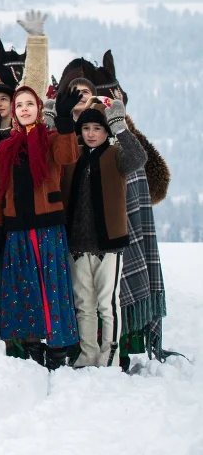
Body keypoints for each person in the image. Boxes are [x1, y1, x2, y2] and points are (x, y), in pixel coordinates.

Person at [0, 87, 81, 368]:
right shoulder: (5, 148)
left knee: (51, 286)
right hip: (17, 230)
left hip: (48, 227)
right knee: (24, 287)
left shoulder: (51, 140)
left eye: (30, 104)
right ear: (13, 112)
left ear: (39, 109)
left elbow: (68, 156)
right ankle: (31, 345)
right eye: (19, 105)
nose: (24, 109)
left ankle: (57, 346)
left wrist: (64, 118)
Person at [65, 98, 147, 367]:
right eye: (86, 128)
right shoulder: (73, 155)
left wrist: (120, 128)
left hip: (108, 243)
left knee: (107, 303)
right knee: (83, 302)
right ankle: (87, 352)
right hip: (77, 243)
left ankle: (109, 352)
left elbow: (139, 158)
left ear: (106, 132)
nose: (91, 134)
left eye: (97, 129)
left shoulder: (116, 156)